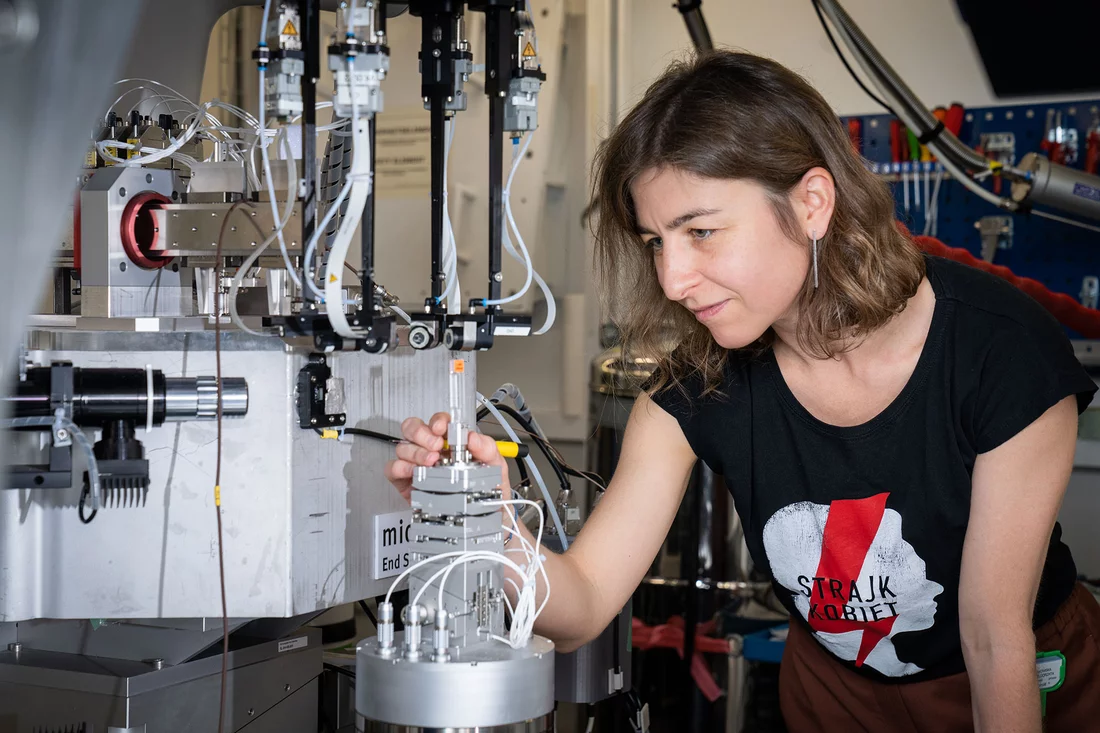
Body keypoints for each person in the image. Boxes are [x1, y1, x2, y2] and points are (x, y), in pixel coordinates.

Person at [386, 50, 1100, 732]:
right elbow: (582, 604)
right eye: (656, 242)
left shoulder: (999, 352)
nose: (672, 280)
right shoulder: (696, 394)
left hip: (1023, 685)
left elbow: (993, 636)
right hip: (837, 699)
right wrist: (487, 526)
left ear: (813, 203)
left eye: (700, 231)